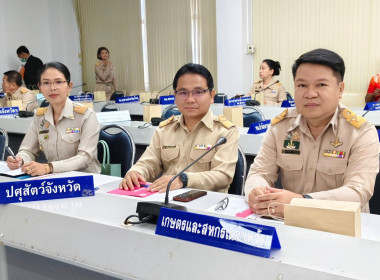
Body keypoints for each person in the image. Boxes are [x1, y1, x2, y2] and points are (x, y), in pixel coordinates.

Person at [245, 49, 379, 217]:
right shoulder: (280, 127)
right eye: (302, 85)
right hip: (288, 223)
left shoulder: (361, 132)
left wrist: (300, 202)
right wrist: (255, 191)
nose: (310, 94)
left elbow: (358, 192)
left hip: (343, 227)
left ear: (340, 89)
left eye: (321, 85)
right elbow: (258, 173)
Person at [120, 63, 239, 193]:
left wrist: (184, 180)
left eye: (198, 92)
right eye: (183, 93)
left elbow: (222, 176)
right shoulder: (165, 129)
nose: (190, 99)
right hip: (166, 201)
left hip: (206, 204)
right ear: (175, 96)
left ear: (211, 95)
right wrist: (136, 172)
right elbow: (148, 163)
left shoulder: (225, 132)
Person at [6, 62, 101, 176]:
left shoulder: (86, 116)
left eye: (59, 82)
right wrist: (20, 160)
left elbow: (85, 157)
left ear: (69, 86)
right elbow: (28, 150)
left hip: (86, 181)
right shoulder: (40, 117)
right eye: (46, 83)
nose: (52, 88)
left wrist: (49, 167)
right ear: (40, 87)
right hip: (54, 180)